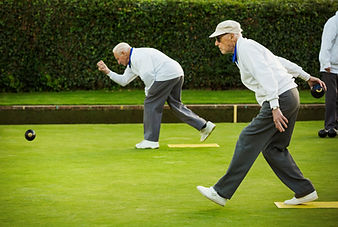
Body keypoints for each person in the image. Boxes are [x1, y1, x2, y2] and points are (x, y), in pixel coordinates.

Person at [197, 20, 327, 206]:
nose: (216, 43)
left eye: (219, 38)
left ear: (232, 36)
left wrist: (274, 107)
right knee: (274, 148)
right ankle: (304, 190)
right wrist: (306, 76)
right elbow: (277, 62)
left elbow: (266, 74)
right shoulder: (247, 49)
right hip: (290, 95)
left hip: (281, 98)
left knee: (247, 138)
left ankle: (221, 192)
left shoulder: (246, 49)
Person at [97, 43, 215, 149]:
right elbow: (123, 81)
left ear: (123, 53)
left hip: (166, 75)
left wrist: (149, 92)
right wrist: (108, 71)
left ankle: (150, 141)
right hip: (176, 73)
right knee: (175, 105)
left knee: (150, 104)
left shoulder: (138, 56)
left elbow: (148, 75)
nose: (118, 62)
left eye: (118, 58)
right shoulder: (132, 63)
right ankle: (204, 126)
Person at [318, 11, 338, 138]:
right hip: (330, 67)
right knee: (331, 96)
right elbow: (326, 43)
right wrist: (326, 63)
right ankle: (330, 126)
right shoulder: (332, 22)